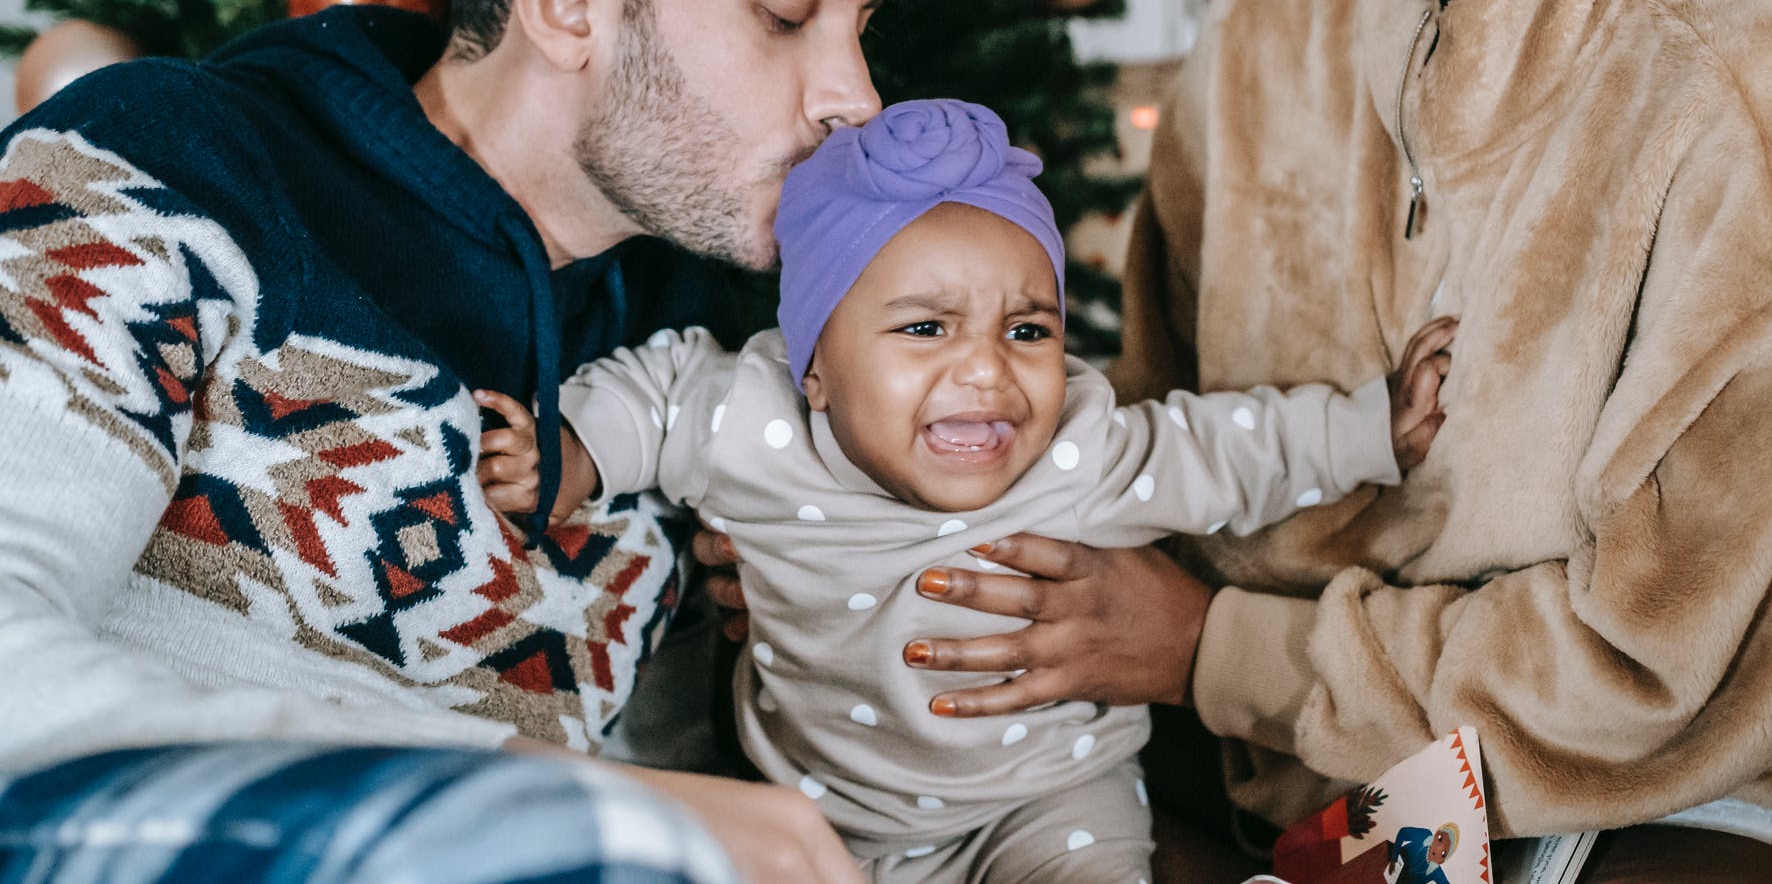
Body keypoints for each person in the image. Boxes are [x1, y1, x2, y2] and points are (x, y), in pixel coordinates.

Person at [881, 0, 1772, 879]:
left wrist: (1211, 649)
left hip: (1671, 794)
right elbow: (1143, 442)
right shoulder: (1268, 15)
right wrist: (871, 503)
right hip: (1269, 732)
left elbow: (1653, 674)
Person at [0, 0, 930, 883]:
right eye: (787, 14)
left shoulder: (685, 361)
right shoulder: (159, 165)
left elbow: (710, 786)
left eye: (855, 27)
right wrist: (558, 801)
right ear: (566, 3)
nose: (854, 94)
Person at [475, 98, 1455, 882]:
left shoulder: (1074, 446)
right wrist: (572, 451)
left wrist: (1372, 427)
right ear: (812, 367)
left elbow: (1229, 448)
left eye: (1026, 330)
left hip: (1047, 800)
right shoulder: (753, 420)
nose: (987, 369)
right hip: (825, 814)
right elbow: (659, 392)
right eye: (925, 329)